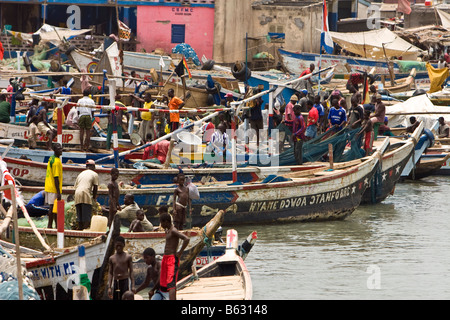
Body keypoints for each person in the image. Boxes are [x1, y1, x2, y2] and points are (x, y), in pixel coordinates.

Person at [159, 212, 190, 300]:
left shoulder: (173, 230)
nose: (161, 225)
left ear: (166, 222)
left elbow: (186, 239)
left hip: (171, 259)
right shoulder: (168, 230)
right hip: (166, 258)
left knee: (171, 283)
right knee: (166, 283)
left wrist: (180, 252)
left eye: (161, 222)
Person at [74, 160, 99, 230]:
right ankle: (85, 230)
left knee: (80, 215)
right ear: (93, 166)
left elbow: (76, 186)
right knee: (87, 215)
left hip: (77, 193)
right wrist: (94, 198)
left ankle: (80, 229)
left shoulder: (81, 174)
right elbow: (95, 188)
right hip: (85, 193)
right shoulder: (94, 174)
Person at [44, 143, 63, 228]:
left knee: (54, 208)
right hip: (53, 188)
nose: (61, 150)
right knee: (52, 207)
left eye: (61, 148)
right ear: (55, 150)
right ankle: (50, 226)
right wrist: (58, 192)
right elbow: (56, 178)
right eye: (59, 149)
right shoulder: (55, 162)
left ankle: (56, 225)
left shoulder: (52, 158)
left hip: (49, 186)